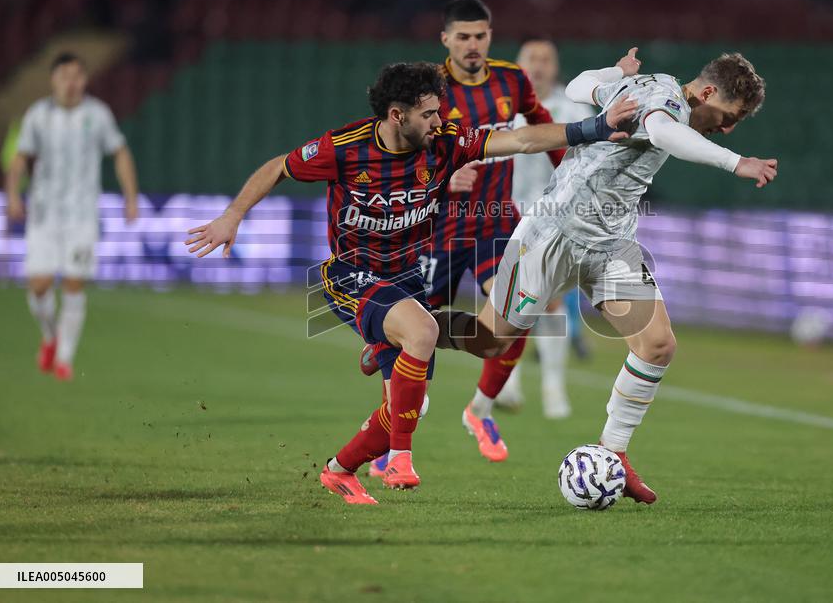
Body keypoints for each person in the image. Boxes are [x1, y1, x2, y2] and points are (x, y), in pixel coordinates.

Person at [185, 61, 636, 504]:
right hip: (351, 275)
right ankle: (402, 457)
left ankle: (338, 471)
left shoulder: (446, 142)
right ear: (397, 115)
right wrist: (233, 215)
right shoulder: (344, 147)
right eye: (430, 113)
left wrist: (593, 128)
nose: (441, 121)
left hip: (407, 279)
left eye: (440, 111)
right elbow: (279, 166)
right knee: (422, 333)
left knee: (434, 384)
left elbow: (520, 138)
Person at [431, 48, 778, 505]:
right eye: (728, 115)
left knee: (657, 344)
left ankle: (613, 452)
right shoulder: (667, 100)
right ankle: (405, 326)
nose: (727, 127)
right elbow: (663, 132)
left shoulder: (642, 84)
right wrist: (736, 162)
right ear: (707, 92)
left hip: (609, 244)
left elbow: (578, 88)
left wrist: (614, 73)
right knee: (491, 339)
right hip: (552, 232)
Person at [360, 0, 565, 467]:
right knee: (414, 338)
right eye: (463, 36)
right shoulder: (428, 89)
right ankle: (385, 440)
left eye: (481, 36)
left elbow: (541, 125)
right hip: (437, 228)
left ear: (490, 37)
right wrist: (441, 177)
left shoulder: (512, 80)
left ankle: (480, 411)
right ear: (446, 39)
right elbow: (398, 147)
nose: (473, 45)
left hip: (496, 222)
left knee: (520, 310)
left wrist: (568, 170)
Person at [5, 51, 140, 381]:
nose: (71, 82)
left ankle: (64, 358)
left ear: (84, 79)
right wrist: (11, 194)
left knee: (73, 283)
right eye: (65, 75)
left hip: (82, 215)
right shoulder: (38, 115)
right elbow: (20, 158)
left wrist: (131, 196)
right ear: (53, 79)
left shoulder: (97, 113)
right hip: (44, 213)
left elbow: (120, 152)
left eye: (77, 75)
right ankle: (50, 336)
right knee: (39, 284)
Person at [495, 38, 593, 419]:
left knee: (549, 299)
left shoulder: (574, 108)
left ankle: (552, 386)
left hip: (558, 217)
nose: (538, 65)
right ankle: (511, 378)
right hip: (504, 213)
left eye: (546, 58)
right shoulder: (503, 110)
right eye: (531, 58)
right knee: (509, 296)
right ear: (518, 65)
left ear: (556, 66)